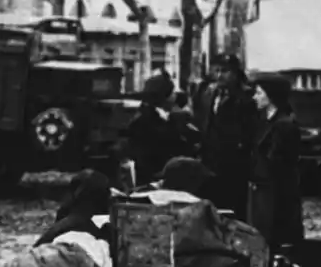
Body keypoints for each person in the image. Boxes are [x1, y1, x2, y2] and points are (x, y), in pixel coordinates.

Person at [194, 54, 259, 218]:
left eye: (225, 71)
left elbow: (249, 132)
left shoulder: (246, 98)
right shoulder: (209, 93)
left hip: (234, 164)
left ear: (236, 73)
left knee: (235, 210)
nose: (220, 75)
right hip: (210, 161)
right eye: (217, 70)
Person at [247, 72, 304, 251]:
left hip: (277, 196)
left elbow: (280, 164)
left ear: (271, 96)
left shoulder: (284, 125)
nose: (255, 97)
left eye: (259, 93)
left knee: (276, 241)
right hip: (265, 193)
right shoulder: (265, 122)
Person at [126, 74, 187, 186]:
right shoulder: (144, 121)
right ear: (164, 96)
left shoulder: (168, 117)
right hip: (154, 181)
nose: (175, 96)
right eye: (172, 92)